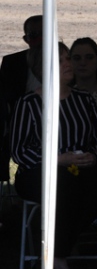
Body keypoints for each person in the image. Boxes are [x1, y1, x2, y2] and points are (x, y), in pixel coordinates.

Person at [11, 42, 97, 269]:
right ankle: (59, 259)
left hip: (80, 169)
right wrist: (56, 159)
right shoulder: (29, 103)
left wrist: (94, 157)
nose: (68, 64)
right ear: (43, 68)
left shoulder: (83, 100)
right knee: (61, 187)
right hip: (38, 172)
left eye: (68, 59)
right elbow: (19, 151)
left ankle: (57, 251)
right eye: (60, 60)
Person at [0, 15, 43, 185]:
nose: (40, 39)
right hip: (19, 125)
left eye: (45, 33)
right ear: (26, 39)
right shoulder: (12, 63)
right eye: (34, 35)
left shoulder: (65, 59)